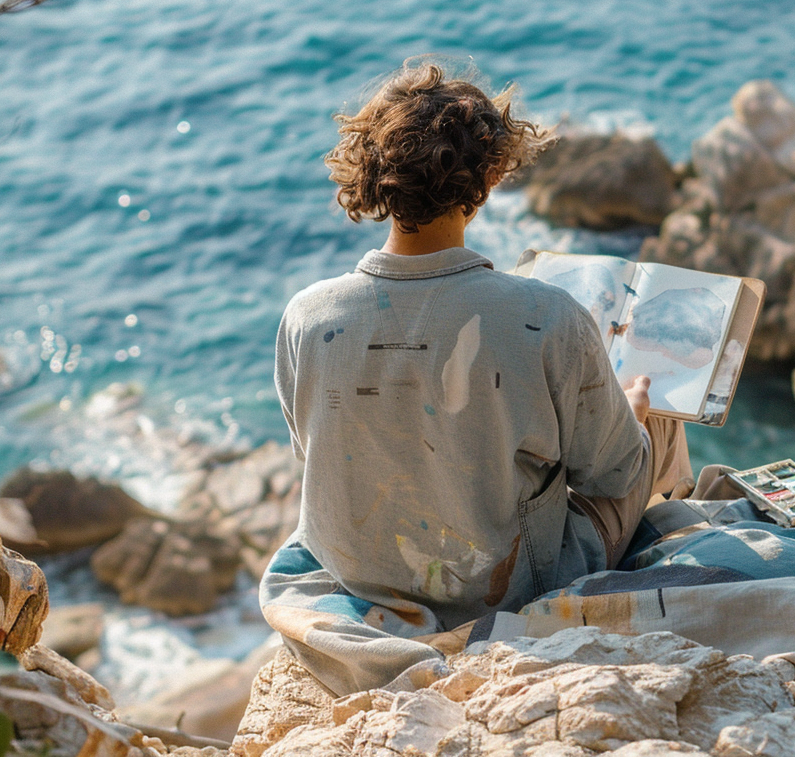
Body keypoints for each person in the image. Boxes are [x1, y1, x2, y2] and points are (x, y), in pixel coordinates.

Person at [261, 61, 692, 693]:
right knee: (653, 423)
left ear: (374, 175)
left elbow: (316, 448)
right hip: (506, 586)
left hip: (359, 575)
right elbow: (615, 474)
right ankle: (679, 529)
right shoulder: (548, 317)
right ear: (489, 178)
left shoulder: (306, 316)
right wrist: (632, 414)